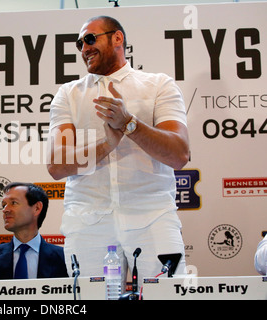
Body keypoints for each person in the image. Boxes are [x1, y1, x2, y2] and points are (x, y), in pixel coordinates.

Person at [47, 16, 190, 290]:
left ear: (117, 39)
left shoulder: (159, 85)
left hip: (152, 215)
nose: (84, 48)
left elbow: (179, 154)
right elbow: (57, 166)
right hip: (87, 219)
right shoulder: (68, 94)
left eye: (90, 39)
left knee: (167, 297)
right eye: (80, 43)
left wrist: (129, 124)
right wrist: (107, 145)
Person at [0, 182, 68, 280]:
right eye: (4, 205)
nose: (5, 210)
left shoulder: (63, 258)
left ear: (37, 208)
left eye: (13, 203)